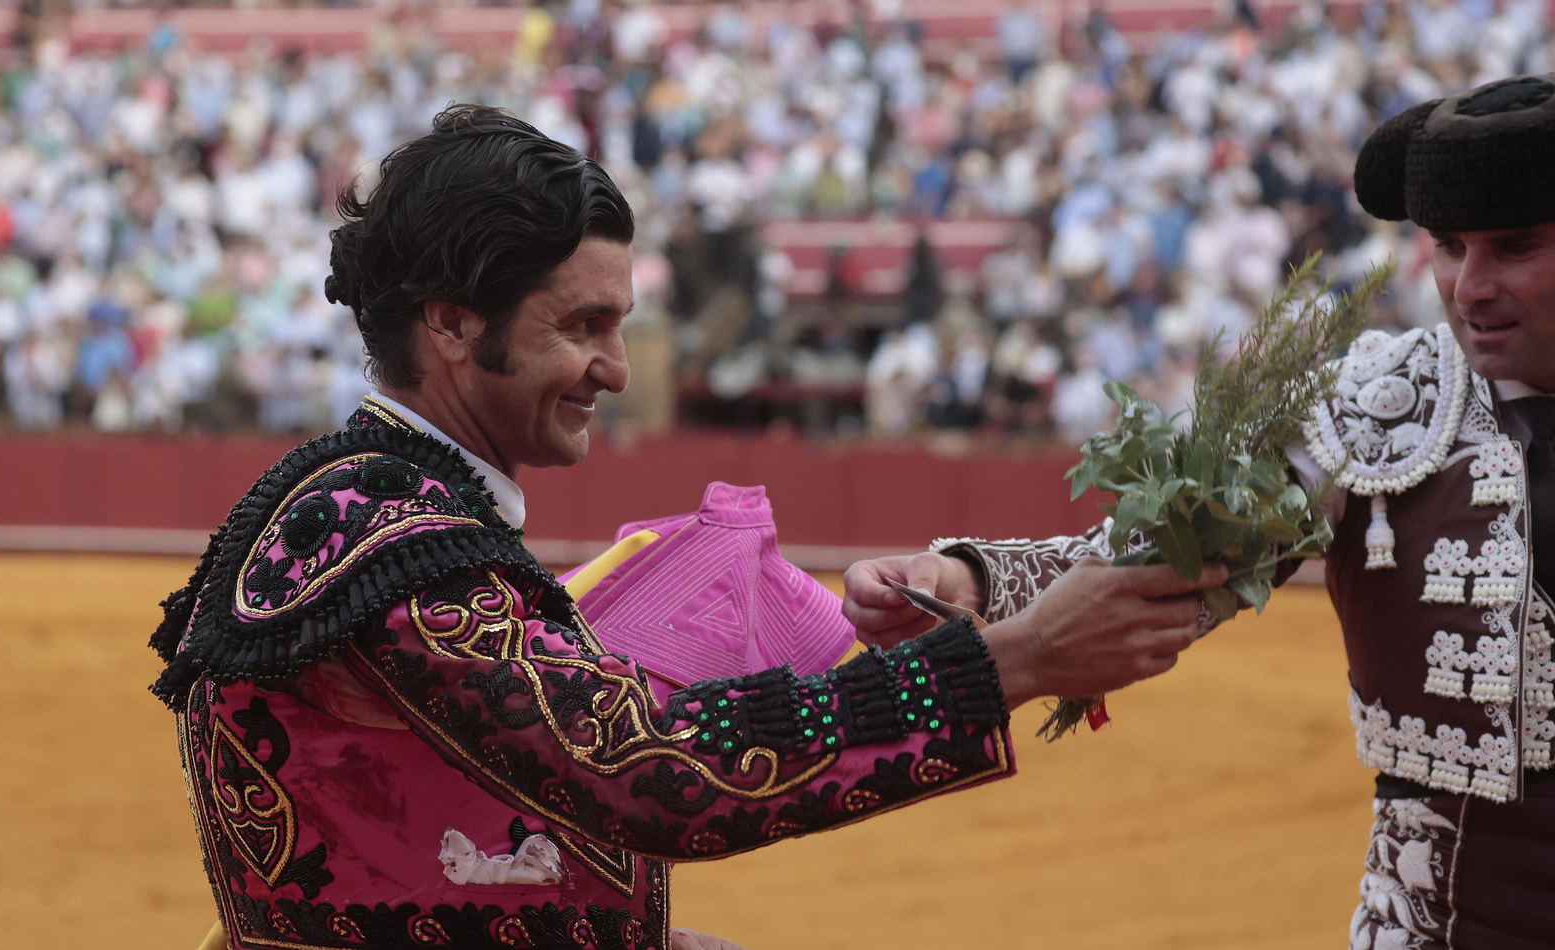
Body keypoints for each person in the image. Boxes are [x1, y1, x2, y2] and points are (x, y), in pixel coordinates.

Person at [152, 105, 1226, 950]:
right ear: (452, 321)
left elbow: (403, 846)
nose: (617, 370)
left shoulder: (373, 504)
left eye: (618, 324)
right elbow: (646, 769)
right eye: (583, 325)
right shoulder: (384, 528)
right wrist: (1016, 659)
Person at [844, 74, 1555, 950]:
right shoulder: (1376, 407)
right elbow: (1164, 555)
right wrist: (972, 584)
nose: (1469, 286)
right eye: (1448, 246)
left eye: (1514, 248)